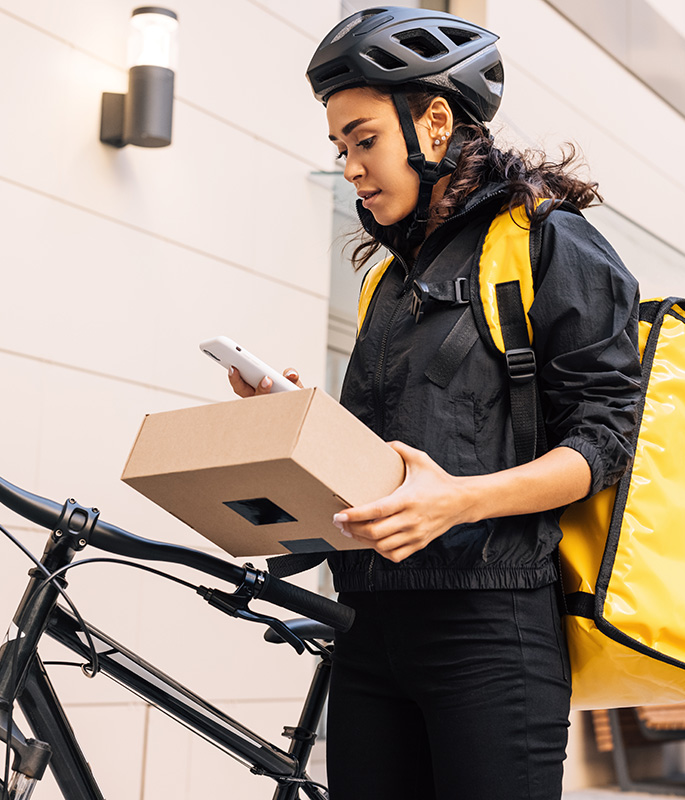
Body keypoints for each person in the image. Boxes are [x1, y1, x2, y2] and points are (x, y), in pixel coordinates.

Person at [229, 7, 642, 799]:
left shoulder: (546, 240)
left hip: (490, 630)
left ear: (436, 120)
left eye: (364, 138)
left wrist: (459, 502)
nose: (351, 166)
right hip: (367, 622)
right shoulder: (388, 279)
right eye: (339, 147)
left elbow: (605, 442)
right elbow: (375, 455)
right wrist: (284, 414)